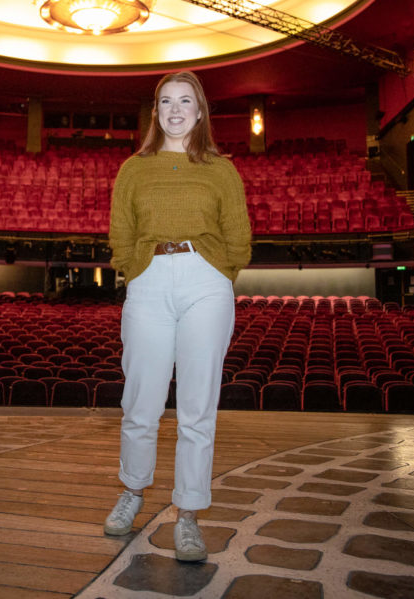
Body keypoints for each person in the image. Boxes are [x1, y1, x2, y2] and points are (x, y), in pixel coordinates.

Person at [103, 70, 252, 562]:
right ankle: (133, 490)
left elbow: (238, 235)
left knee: (197, 407)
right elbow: (120, 230)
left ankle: (188, 514)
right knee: (141, 399)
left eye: (185, 101)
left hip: (206, 282)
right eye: (166, 101)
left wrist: (218, 275)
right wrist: (133, 272)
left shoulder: (221, 169)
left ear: (200, 110)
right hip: (148, 279)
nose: (175, 109)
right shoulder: (134, 168)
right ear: (156, 111)